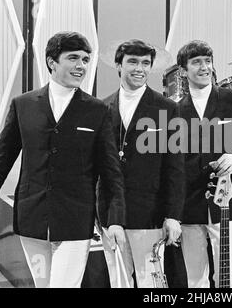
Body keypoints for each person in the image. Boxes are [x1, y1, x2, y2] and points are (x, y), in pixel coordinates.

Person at [0, 31, 125, 288]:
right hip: (32, 218)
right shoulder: (23, 105)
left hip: (75, 219)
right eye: (73, 58)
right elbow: (0, 160)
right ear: (52, 61)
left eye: (85, 59)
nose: (81, 66)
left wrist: (115, 219)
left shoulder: (97, 110)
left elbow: (111, 172)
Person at [101, 39, 185, 288]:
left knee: (152, 285)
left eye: (146, 63)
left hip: (151, 214)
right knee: (119, 282)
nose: (140, 68)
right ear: (119, 65)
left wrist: (173, 215)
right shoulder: (102, 107)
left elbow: (175, 167)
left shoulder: (167, 108)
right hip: (109, 216)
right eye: (133, 62)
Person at [176, 40, 232, 288]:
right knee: (194, 280)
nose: (204, 67)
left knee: (226, 279)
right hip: (189, 205)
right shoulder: (174, 109)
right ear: (183, 70)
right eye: (196, 62)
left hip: (227, 203)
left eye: (207, 61)